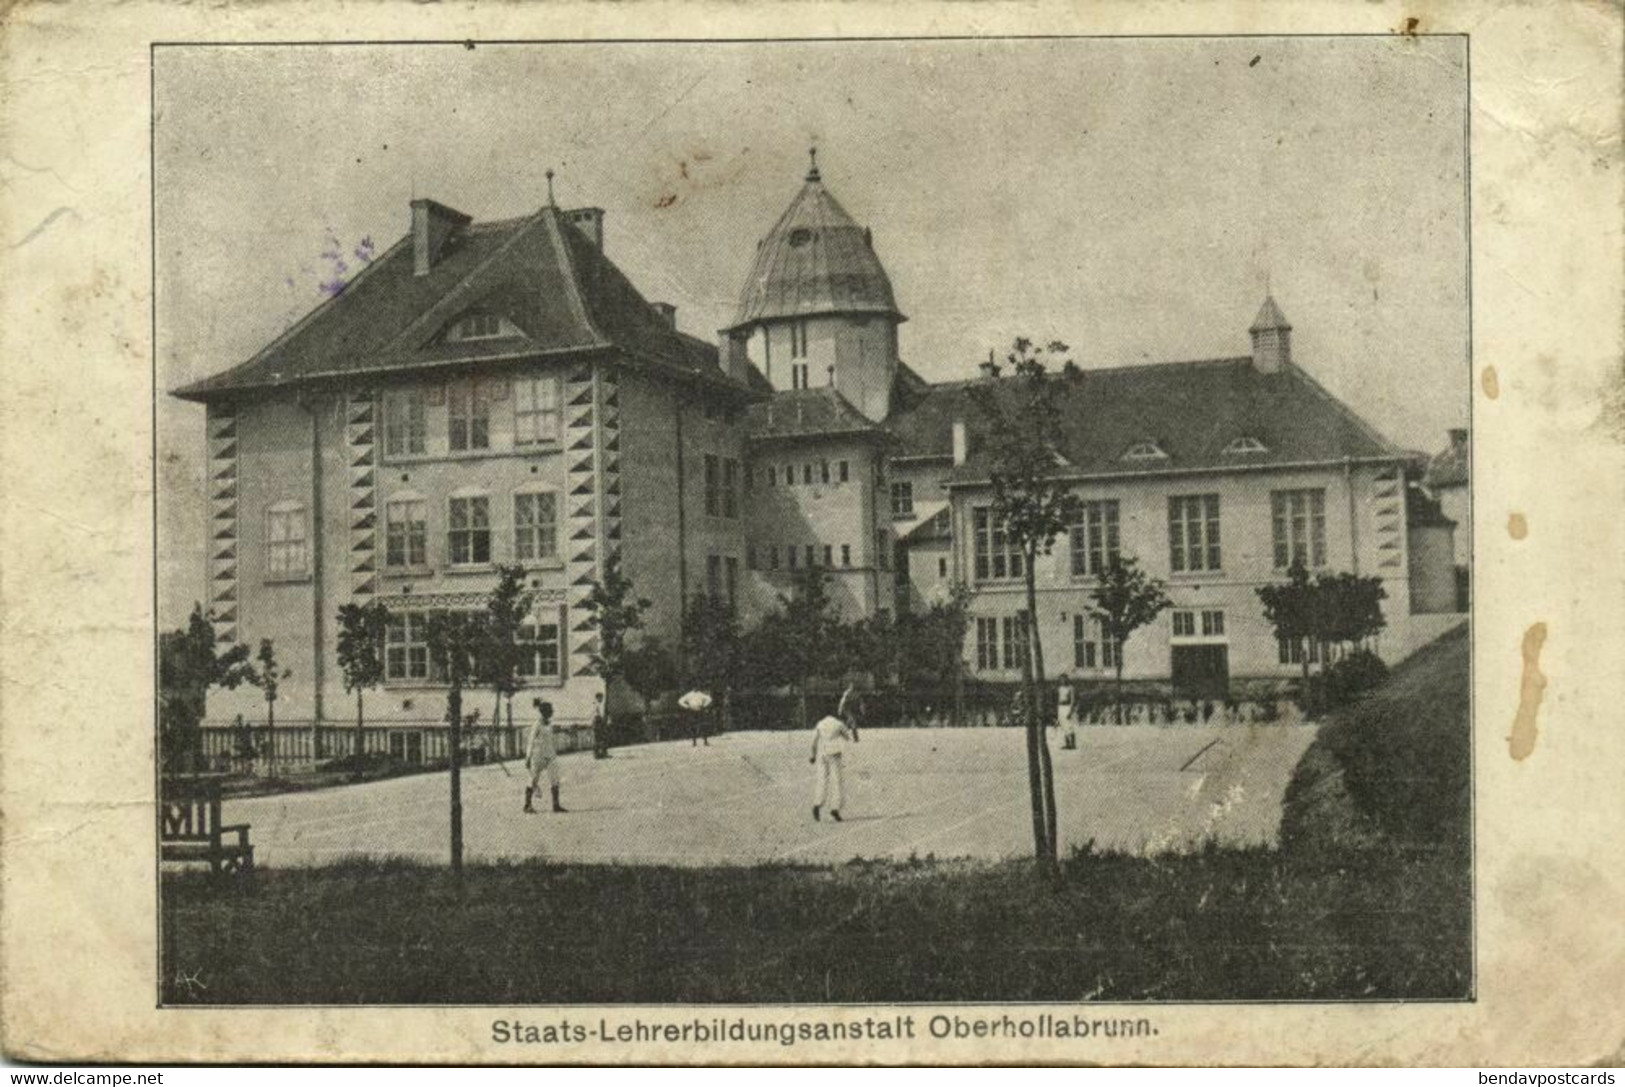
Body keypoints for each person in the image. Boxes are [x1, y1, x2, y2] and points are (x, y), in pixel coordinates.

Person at [809, 713, 854, 822]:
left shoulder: (820, 724)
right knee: (837, 782)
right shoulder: (839, 724)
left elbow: (813, 743)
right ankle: (835, 808)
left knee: (822, 781)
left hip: (823, 754)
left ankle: (817, 804)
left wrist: (813, 756)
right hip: (835, 754)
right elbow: (848, 737)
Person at [524, 699, 566, 814]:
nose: (552, 712)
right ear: (545, 712)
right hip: (537, 756)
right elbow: (530, 741)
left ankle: (556, 805)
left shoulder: (549, 724)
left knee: (555, 779)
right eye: (550, 710)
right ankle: (527, 805)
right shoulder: (537, 724)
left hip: (550, 755)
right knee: (533, 780)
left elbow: (550, 740)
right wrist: (528, 757)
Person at [592, 692, 612, 759]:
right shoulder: (595, 705)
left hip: (602, 722)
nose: (601, 699)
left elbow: (605, 713)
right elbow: (596, 714)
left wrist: (607, 720)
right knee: (597, 739)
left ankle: (604, 753)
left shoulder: (603, 705)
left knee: (604, 738)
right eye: (600, 697)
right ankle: (596, 754)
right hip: (597, 722)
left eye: (602, 698)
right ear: (597, 698)